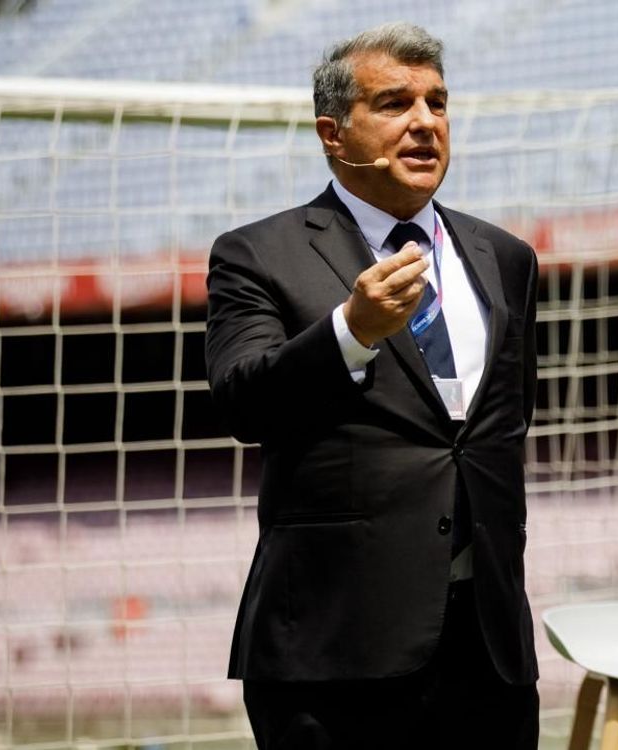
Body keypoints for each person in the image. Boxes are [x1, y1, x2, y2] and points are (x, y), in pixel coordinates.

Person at [204, 22, 539, 749]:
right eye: (395, 103)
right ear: (334, 133)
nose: (425, 123)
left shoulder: (505, 257)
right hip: (335, 652)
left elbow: (500, 431)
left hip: (489, 652)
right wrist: (349, 331)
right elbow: (241, 401)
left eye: (438, 102)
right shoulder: (257, 255)